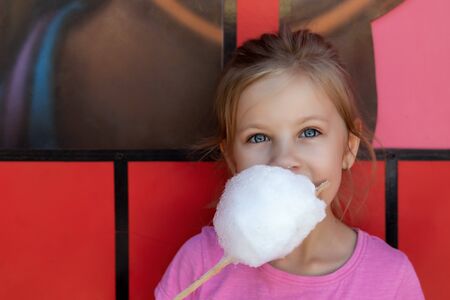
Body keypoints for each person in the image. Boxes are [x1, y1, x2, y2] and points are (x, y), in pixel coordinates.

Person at [155, 28, 424, 299]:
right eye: (258, 137)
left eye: (309, 132)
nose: (283, 160)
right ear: (232, 160)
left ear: (348, 148)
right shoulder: (199, 264)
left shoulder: (390, 278)